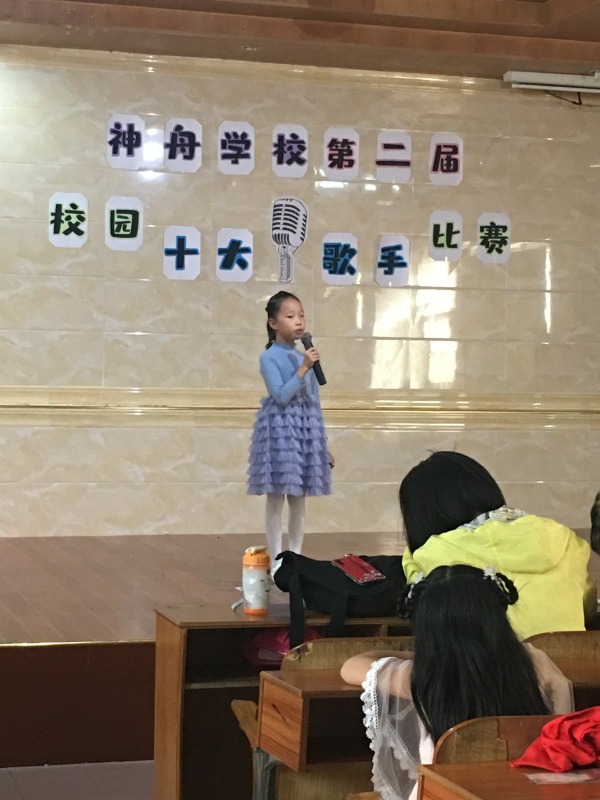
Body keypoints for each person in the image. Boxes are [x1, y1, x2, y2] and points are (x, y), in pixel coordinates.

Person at [341, 565, 573, 800]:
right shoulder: (534, 663)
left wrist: (419, 657)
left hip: (441, 795)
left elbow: (350, 667)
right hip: (530, 793)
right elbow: (564, 730)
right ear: (496, 615)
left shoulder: (424, 676)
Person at [399, 451, 595, 640]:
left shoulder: (431, 554)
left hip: (493, 662)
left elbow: (422, 614)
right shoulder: (559, 537)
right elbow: (588, 606)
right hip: (575, 660)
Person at [248, 291, 333, 572]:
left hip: (305, 431)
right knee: (276, 498)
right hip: (280, 431)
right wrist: (303, 369)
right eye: (290, 316)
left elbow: (315, 403)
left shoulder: (303, 356)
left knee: (299, 498)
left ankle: (295, 559)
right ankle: (276, 561)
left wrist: (323, 446)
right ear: (273, 323)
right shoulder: (269, 357)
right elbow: (281, 396)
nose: (298, 321)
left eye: (301, 316)